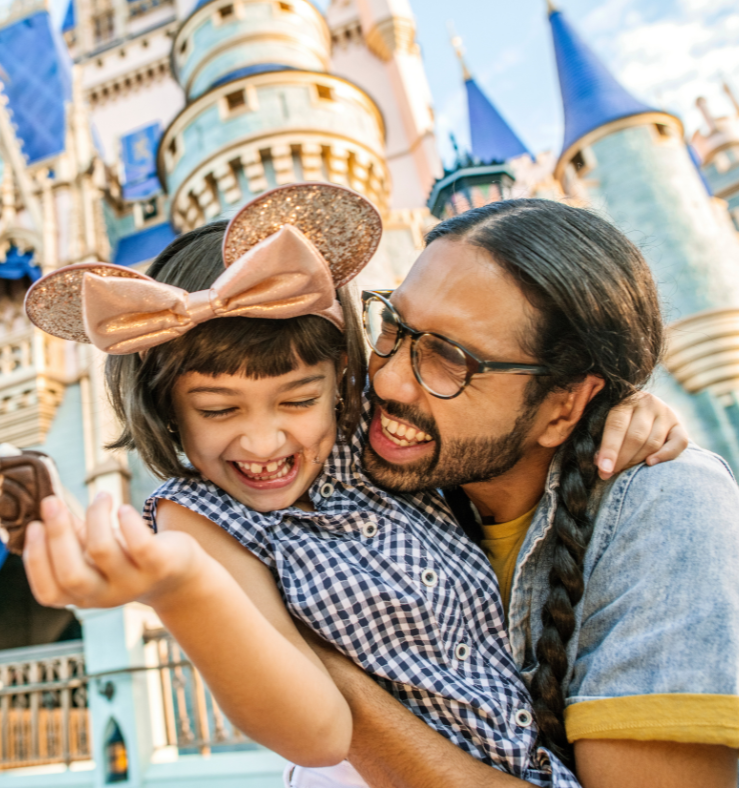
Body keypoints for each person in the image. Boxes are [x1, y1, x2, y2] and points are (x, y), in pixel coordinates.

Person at [22, 186, 691, 787]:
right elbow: (319, 733)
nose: (262, 443)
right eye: (219, 410)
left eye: (297, 400)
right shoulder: (197, 519)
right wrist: (180, 586)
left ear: (342, 379)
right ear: (166, 412)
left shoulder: (379, 442)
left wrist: (623, 412)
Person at [302, 198, 739, 788]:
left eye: (451, 358)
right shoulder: (376, 466)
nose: (386, 377)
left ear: (565, 406)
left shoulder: (667, 506)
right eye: (392, 325)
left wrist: (314, 669)